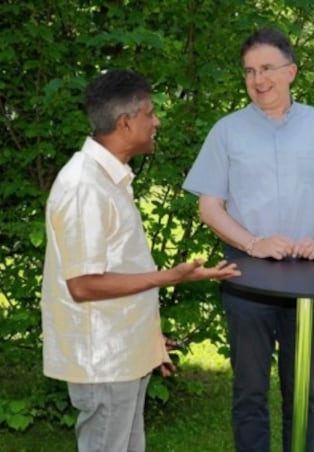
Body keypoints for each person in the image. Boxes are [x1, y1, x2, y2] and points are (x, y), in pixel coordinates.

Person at [182, 27, 314, 452]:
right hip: (246, 275)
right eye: (249, 71)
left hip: (308, 278)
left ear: (291, 72)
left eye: (267, 68)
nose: (257, 80)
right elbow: (209, 207)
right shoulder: (226, 131)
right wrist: (253, 243)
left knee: (303, 390)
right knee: (249, 392)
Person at [40, 69, 240, 452]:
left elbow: (119, 270)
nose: (157, 121)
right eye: (150, 113)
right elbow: (83, 285)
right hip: (103, 362)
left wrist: (147, 342)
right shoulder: (85, 186)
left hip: (123, 354)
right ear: (125, 122)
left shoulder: (108, 179)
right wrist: (168, 277)